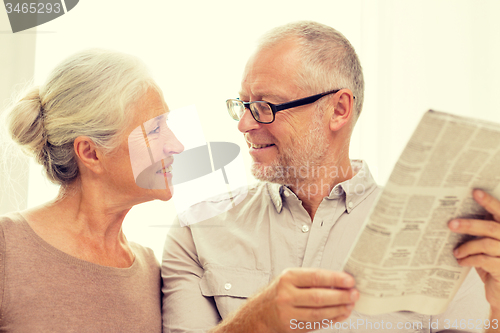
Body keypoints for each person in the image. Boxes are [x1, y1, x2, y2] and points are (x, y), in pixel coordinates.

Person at [161, 21, 500, 332]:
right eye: (244, 104)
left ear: (338, 110)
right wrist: (259, 319)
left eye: (266, 106)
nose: (244, 124)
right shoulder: (197, 230)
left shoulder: (442, 233)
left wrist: (498, 310)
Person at [0, 49, 184, 332]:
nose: (177, 146)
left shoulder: (150, 270)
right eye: (155, 131)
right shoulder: (6, 248)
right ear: (90, 153)